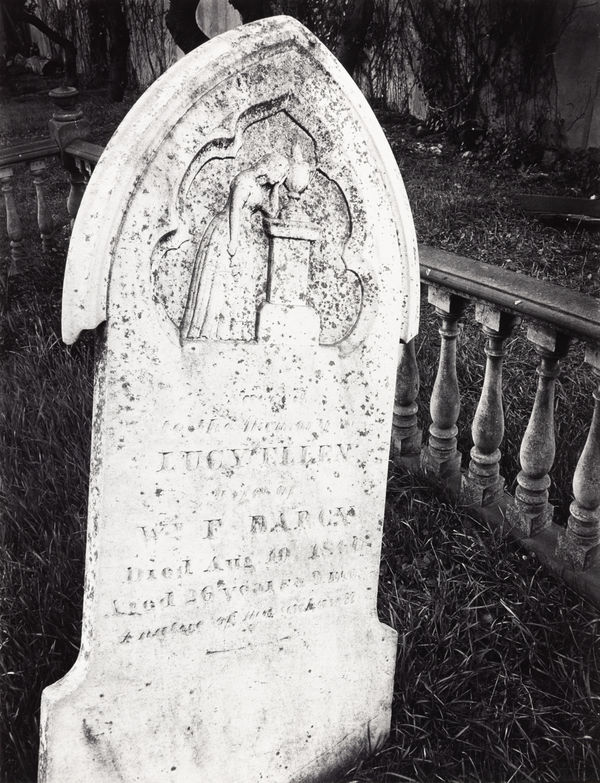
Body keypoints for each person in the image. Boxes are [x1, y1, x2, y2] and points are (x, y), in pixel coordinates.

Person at [181, 152, 289, 341]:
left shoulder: (258, 186)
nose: (277, 179)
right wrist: (233, 241)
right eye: (279, 174)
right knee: (221, 279)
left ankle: (231, 331)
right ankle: (210, 330)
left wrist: (276, 189)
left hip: (243, 233)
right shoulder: (244, 180)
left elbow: (272, 212)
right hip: (228, 231)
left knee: (238, 281)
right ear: (270, 167)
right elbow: (235, 211)